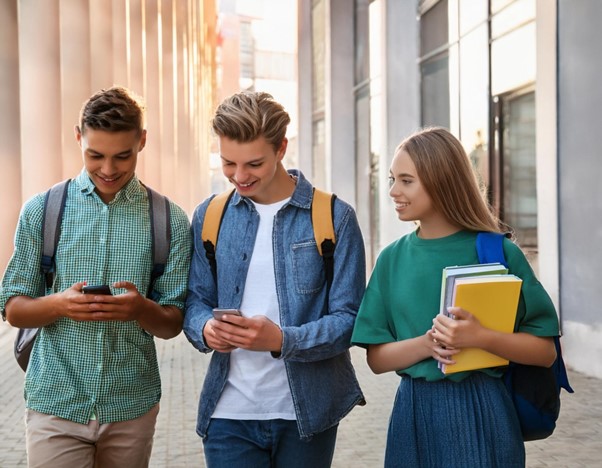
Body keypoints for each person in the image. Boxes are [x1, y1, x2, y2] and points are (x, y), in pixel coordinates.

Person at [0, 86, 192, 468]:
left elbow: (172, 324)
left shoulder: (169, 220)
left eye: (123, 156)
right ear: (78, 138)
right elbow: (12, 309)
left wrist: (141, 308)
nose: (108, 169)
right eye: (95, 155)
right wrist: (59, 304)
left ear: (142, 141)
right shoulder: (43, 210)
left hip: (131, 406)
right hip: (55, 403)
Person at [351, 126, 559, 467]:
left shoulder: (498, 253)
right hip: (412, 414)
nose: (392, 191)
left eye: (406, 180)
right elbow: (376, 360)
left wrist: (481, 337)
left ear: (442, 181)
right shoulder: (391, 259)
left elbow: (545, 352)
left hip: (483, 408)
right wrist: (429, 344)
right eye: (392, 179)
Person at [183, 91, 366, 468]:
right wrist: (204, 330)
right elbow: (194, 301)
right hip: (228, 412)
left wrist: (282, 340)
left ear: (282, 148)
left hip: (306, 415)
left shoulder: (334, 217)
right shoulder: (210, 216)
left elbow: (351, 319)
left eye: (253, 164)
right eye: (228, 163)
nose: (239, 176)